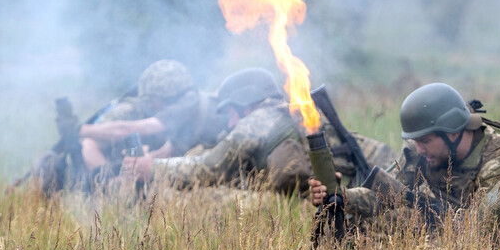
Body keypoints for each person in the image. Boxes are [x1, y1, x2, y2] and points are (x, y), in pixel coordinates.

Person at [124, 67, 395, 194]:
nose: (230, 123)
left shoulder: (258, 121)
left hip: (351, 201)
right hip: (363, 193)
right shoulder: (294, 114)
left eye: (230, 113)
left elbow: (207, 170)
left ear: (245, 105)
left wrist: (154, 168)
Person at [308, 82, 500, 229]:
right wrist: (343, 197)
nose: (419, 149)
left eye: (425, 141)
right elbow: (387, 197)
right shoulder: (419, 150)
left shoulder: (498, 160)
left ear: (452, 131)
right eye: (416, 141)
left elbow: (482, 232)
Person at [26, 59, 227, 194]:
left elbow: (140, 128)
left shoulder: (187, 104)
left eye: (154, 100)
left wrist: (78, 130)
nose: (151, 105)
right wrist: (107, 179)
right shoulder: (181, 107)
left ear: (170, 96)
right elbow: (91, 144)